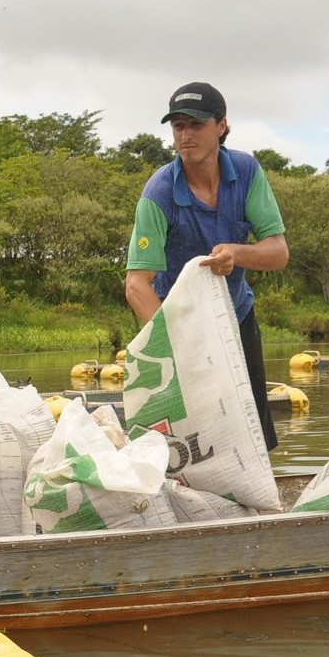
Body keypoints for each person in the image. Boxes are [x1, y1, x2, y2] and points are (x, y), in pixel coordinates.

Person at [125, 81, 289, 450]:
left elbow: (278, 252)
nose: (185, 135)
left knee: (254, 431)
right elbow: (137, 285)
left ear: (222, 126)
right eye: (178, 126)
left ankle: (261, 502)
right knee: (194, 434)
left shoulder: (246, 172)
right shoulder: (159, 193)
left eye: (196, 125)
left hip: (236, 316)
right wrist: (175, 348)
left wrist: (237, 252)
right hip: (182, 324)